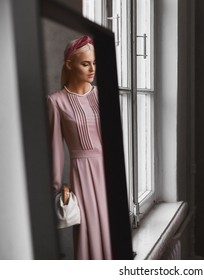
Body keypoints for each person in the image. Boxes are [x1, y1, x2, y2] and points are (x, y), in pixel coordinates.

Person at [47, 35, 112, 259]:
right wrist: (56, 188)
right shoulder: (56, 101)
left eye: (94, 63)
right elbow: (55, 148)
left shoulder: (103, 95)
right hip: (82, 174)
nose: (92, 69)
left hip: (109, 174)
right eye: (85, 64)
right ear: (69, 64)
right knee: (89, 235)